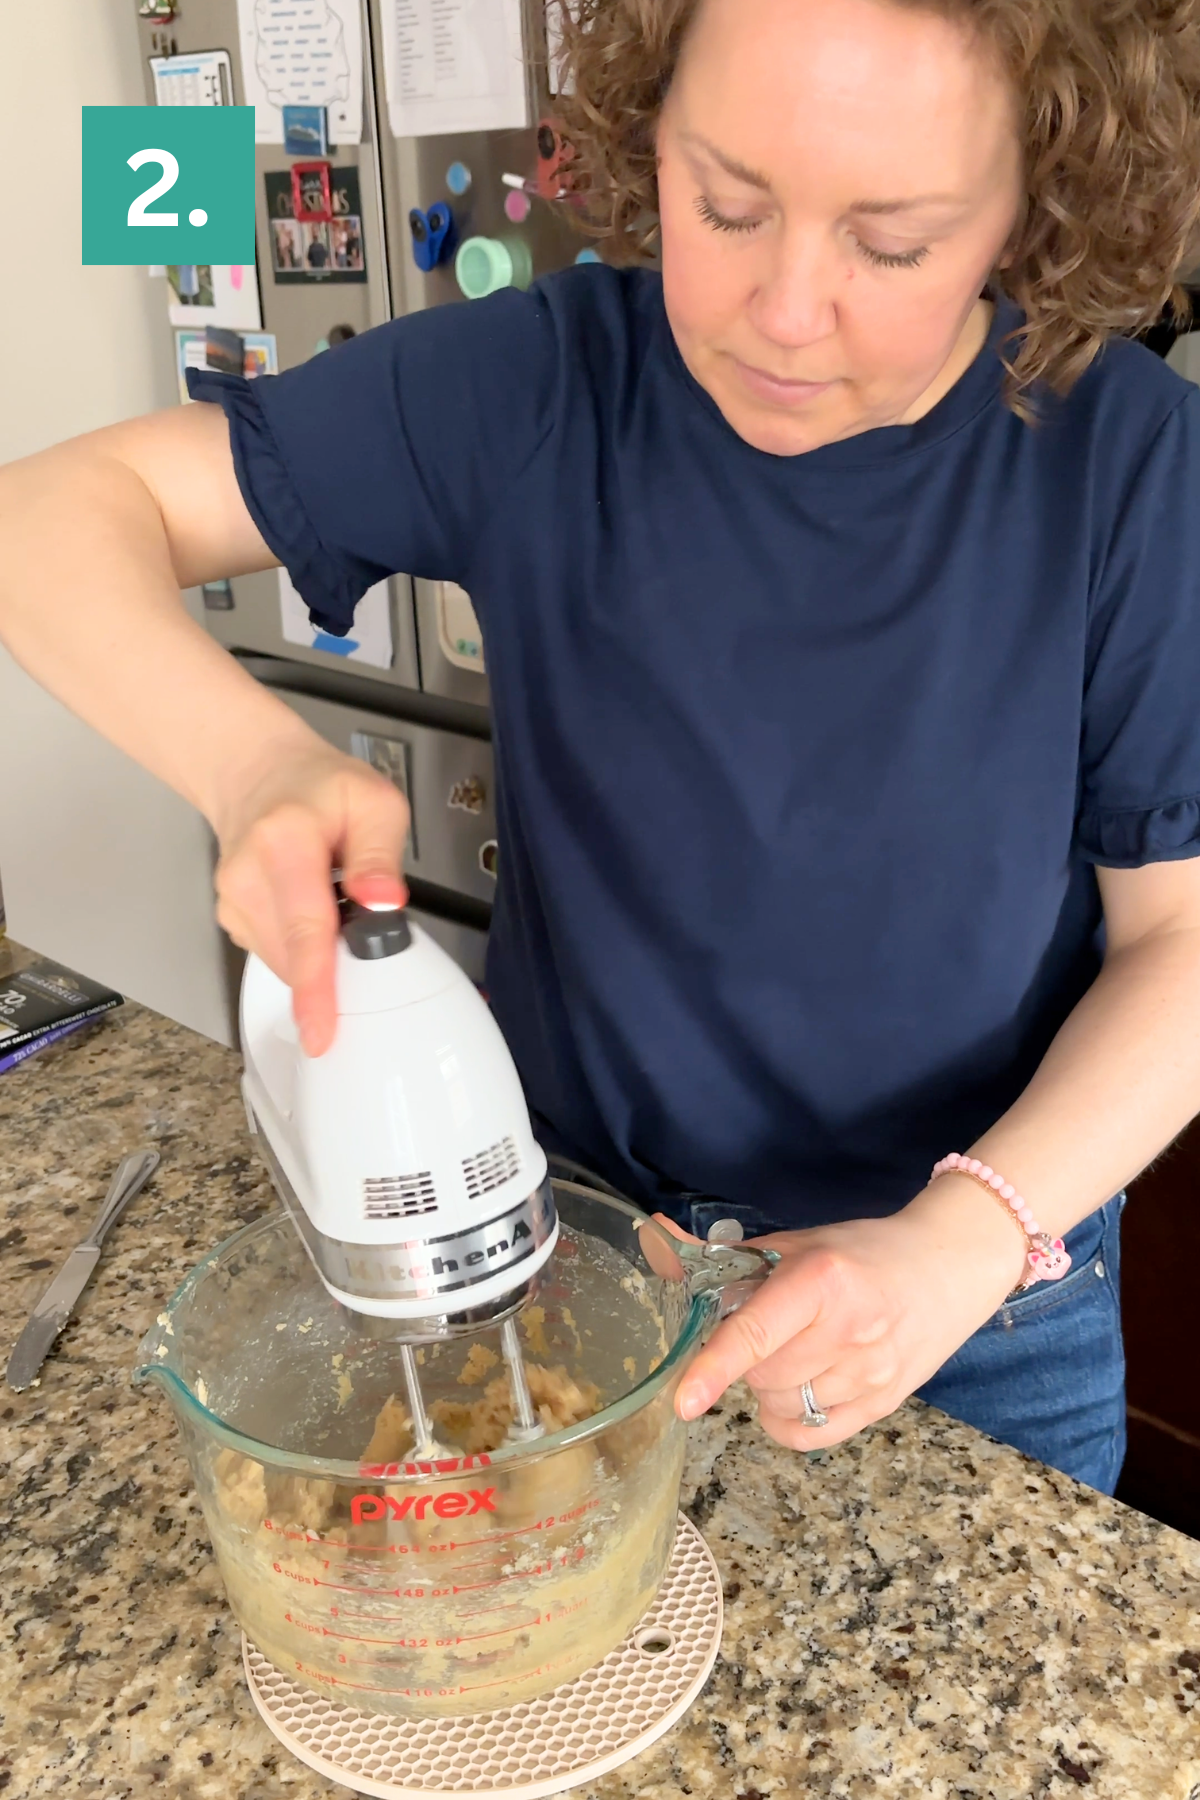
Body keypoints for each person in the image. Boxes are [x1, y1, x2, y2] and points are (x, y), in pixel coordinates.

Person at [4, 0, 1200, 1497]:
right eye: (728, 204)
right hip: (584, 1258)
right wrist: (250, 766)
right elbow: (45, 520)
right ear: (653, 134)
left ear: (1038, 200)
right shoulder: (543, 385)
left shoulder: (1136, 463)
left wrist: (964, 1237)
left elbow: (1183, 943)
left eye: (890, 243)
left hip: (982, 1290)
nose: (783, 307)